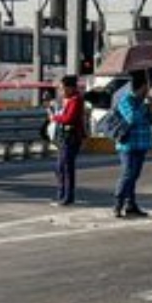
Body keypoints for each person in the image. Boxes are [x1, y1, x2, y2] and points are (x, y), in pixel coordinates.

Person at [113, 71, 152, 218]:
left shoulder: (144, 102)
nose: (149, 90)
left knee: (134, 175)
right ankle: (118, 203)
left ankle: (130, 204)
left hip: (142, 143)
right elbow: (131, 118)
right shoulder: (126, 100)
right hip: (128, 144)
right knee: (127, 174)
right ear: (142, 86)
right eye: (147, 86)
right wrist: (144, 106)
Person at [49, 74, 85, 206]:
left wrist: (55, 117)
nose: (61, 91)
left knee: (65, 167)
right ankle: (62, 194)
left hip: (72, 137)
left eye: (63, 88)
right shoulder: (68, 100)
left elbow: (69, 118)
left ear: (70, 88)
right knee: (61, 167)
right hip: (65, 137)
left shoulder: (76, 100)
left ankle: (67, 196)